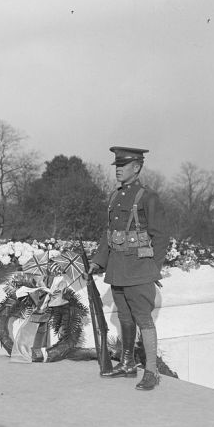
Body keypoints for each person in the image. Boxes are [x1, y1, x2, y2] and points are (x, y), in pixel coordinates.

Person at [89, 147, 168, 391]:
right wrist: (97, 261)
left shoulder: (147, 197)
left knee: (143, 319)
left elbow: (162, 235)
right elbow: (109, 234)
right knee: (124, 317)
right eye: (116, 166)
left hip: (139, 270)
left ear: (137, 167)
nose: (118, 169)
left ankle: (152, 371)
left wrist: (151, 269)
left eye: (123, 165)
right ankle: (127, 364)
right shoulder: (115, 197)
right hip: (118, 269)